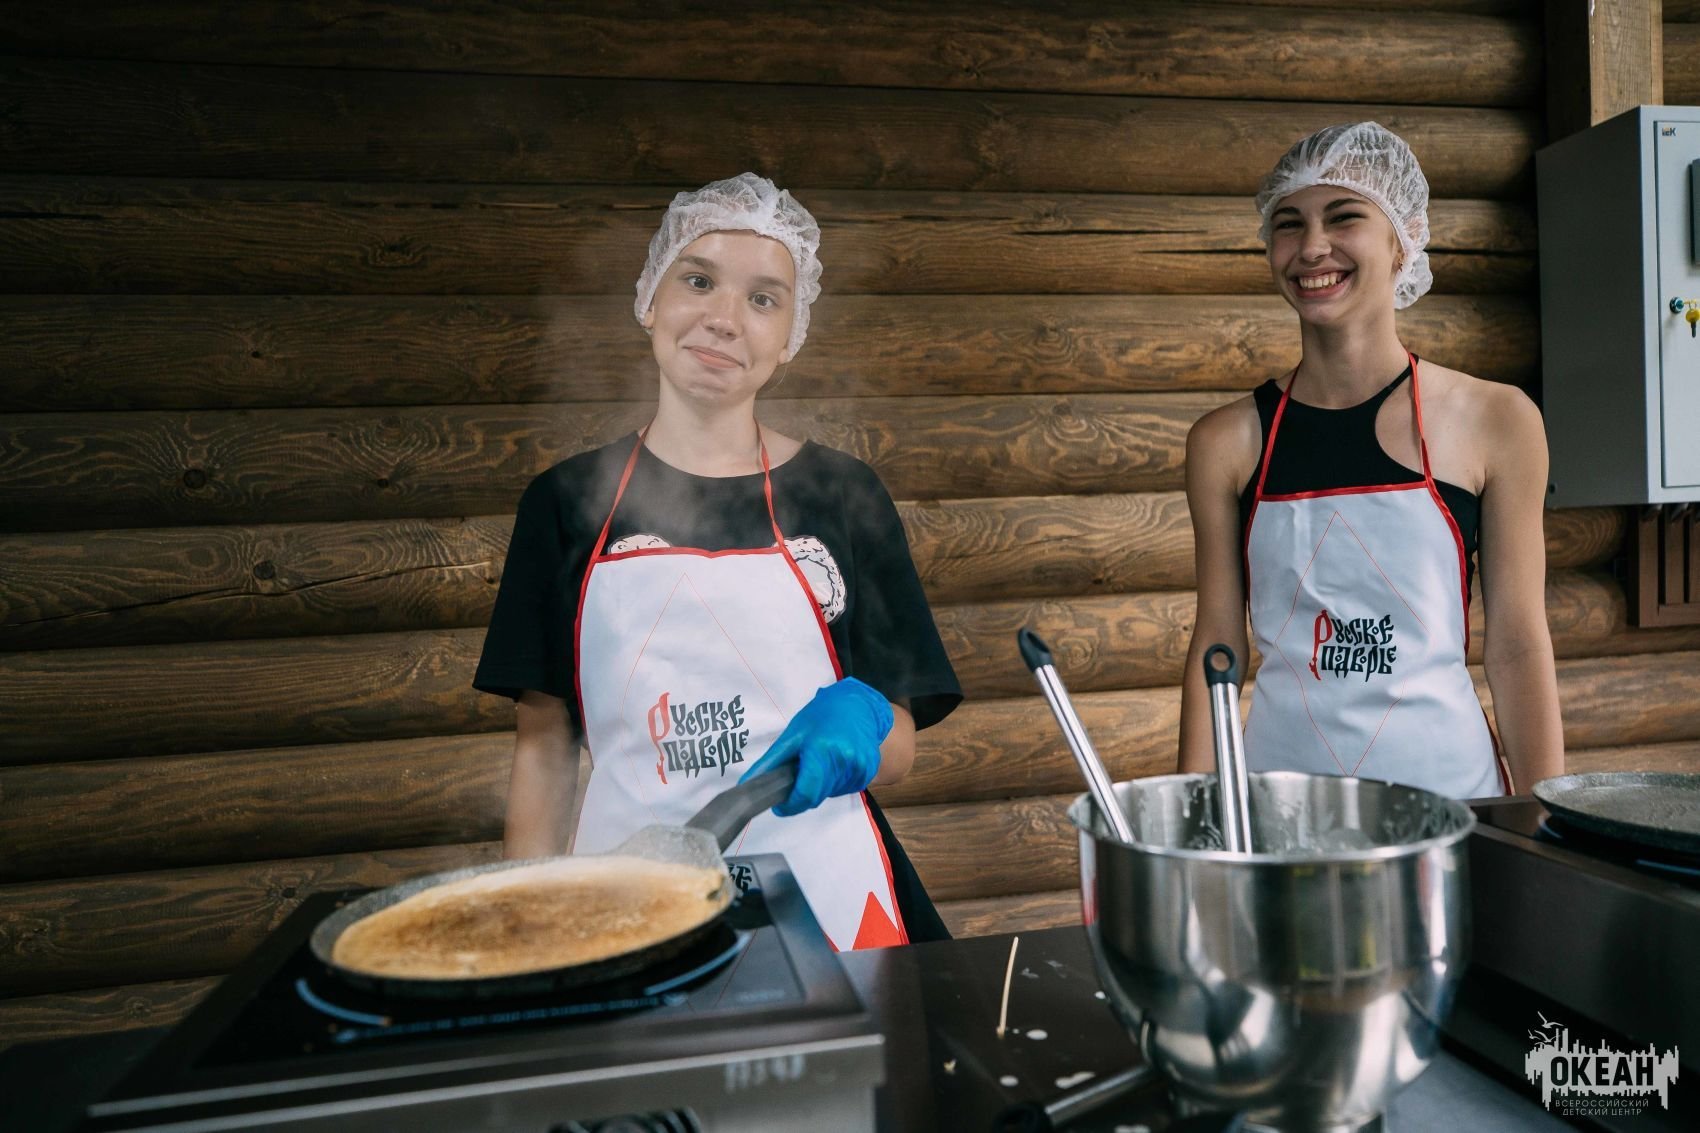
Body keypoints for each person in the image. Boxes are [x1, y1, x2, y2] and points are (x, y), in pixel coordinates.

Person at [474, 173, 962, 949]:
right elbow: (543, 746)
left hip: (829, 897)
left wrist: (867, 724)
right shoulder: (563, 503)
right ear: (650, 298)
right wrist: (525, 934)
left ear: (790, 335)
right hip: (628, 901)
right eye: (698, 280)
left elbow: (900, 742)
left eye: (763, 298)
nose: (724, 319)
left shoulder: (843, 493)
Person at [1178, 122, 1563, 799]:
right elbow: (1218, 644)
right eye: (1289, 224)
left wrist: (1548, 820)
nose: (1312, 247)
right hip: (1282, 813)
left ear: (1402, 239)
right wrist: (1190, 816)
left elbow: (1517, 645)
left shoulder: (1497, 421)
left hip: (1453, 809)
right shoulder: (1226, 442)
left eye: (1344, 216)